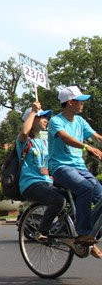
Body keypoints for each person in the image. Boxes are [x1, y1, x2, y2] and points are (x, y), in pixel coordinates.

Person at [47, 86, 102, 252]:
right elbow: (66, 138)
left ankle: (88, 233)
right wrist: (87, 147)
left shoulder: (80, 121)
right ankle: (83, 233)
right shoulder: (55, 121)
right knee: (85, 188)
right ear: (70, 102)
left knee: (100, 196)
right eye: (80, 101)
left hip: (80, 168)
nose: (83, 104)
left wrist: (97, 143)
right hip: (61, 168)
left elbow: (97, 137)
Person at [17, 102, 67, 240]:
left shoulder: (45, 140)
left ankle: (65, 229)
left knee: (75, 193)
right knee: (58, 200)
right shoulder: (24, 140)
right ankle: (42, 231)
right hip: (31, 184)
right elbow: (25, 131)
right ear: (32, 120)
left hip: (47, 182)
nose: (46, 120)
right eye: (42, 117)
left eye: (47, 117)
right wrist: (33, 111)